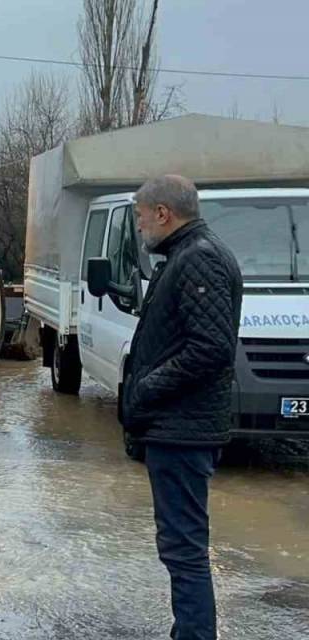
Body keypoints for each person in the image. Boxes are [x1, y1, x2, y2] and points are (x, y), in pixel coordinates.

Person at [121, 175, 242, 640]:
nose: (139, 225)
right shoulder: (188, 255)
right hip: (178, 425)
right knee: (180, 545)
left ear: (163, 214)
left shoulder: (199, 259)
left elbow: (210, 349)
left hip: (182, 429)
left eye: (139, 215)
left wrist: (146, 388)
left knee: (184, 548)